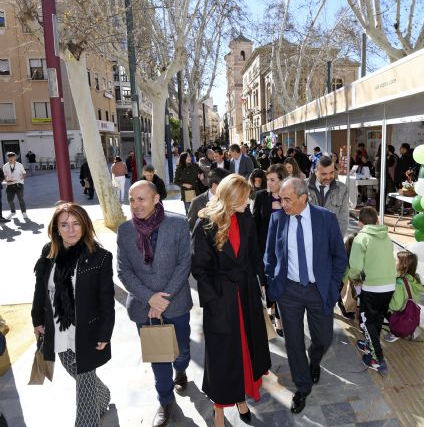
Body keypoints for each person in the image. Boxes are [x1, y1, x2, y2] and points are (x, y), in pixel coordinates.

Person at [191, 174, 271, 427]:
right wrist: (212, 301)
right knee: (221, 356)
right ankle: (218, 407)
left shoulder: (246, 217)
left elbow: (254, 255)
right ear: (232, 197)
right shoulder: (204, 223)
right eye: (245, 197)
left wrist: (265, 287)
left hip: (246, 295)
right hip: (220, 299)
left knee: (246, 350)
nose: (249, 201)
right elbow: (199, 269)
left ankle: (241, 399)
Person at [263, 178, 347, 414]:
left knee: (324, 338)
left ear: (303, 198)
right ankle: (302, 387)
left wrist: (333, 284)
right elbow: (269, 255)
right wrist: (271, 283)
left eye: (287, 199)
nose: (282, 204)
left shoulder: (325, 219)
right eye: (280, 198)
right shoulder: (277, 219)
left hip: (318, 289)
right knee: (293, 341)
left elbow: (340, 257)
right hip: (288, 290)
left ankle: (315, 359)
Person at [31, 202, 115, 427]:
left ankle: (87, 423)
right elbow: (40, 289)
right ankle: (104, 394)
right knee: (76, 373)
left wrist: (104, 333)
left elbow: (106, 300)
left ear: (85, 225)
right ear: (56, 228)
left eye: (76, 223)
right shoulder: (49, 252)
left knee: (84, 383)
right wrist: (37, 320)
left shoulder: (101, 257)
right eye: (64, 224)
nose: (71, 230)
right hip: (57, 327)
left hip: (86, 330)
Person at [117, 181, 192, 427]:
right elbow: (124, 271)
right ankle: (165, 400)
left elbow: (184, 264)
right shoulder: (125, 230)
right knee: (158, 356)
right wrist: (150, 298)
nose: (136, 205)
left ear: (156, 198)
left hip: (176, 302)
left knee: (180, 350)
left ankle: (181, 369)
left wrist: (164, 298)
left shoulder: (178, 223)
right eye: (132, 199)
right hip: (142, 306)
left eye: (142, 199)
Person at [345, 207, 396, 375]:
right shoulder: (387, 237)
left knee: (367, 322)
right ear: (377, 221)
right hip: (389, 286)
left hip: (372, 287)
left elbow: (356, 267)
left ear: (360, 223)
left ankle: (377, 359)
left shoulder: (361, 238)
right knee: (378, 319)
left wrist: (353, 277)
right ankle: (369, 344)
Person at [253, 164, 288, 336]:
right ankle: (272, 310)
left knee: (281, 283)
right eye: (268, 179)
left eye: (273, 180)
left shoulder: (289, 197)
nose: (269, 182)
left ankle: (279, 318)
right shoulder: (260, 196)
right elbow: (254, 222)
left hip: (285, 250)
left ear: (282, 181)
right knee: (267, 284)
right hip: (264, 250)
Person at [306, 156, 350, 236]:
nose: (328, 177)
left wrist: (335, 242)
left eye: (331, 173)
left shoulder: (343, 189)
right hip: (308, 241)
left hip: (332, 241)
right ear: (315, 171)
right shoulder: (302, 187)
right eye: (324, 174)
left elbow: (343, 221)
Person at [384, 250, 421, 343]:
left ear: (403, 265)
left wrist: (386, 303)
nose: (393, 261)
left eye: (396, 260)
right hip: (411, 310)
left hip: (401, 314)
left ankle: (396, 332)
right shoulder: (414, 278)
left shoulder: (399, 282)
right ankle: (411, 328)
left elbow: (396, 306)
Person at [3, 152, 28, 216]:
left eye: (11, 158)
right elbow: (5, 176)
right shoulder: (5, 166)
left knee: (21, 199)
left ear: (14, 158)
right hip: (9, 185)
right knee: (9, 200)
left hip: (19, 184)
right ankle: (13, 212)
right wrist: (6, 179)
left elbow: (25, 174)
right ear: (7, 158)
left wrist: (22, 177)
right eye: (9, 159)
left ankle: (24, 212)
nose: (10, 160)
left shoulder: (20, 165)